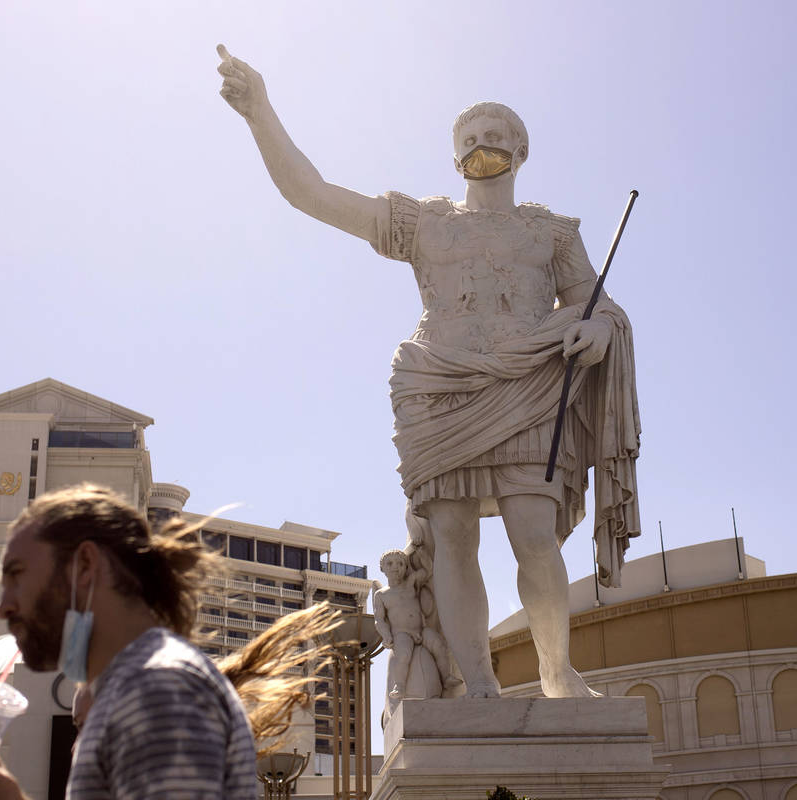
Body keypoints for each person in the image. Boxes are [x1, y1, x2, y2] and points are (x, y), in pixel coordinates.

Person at [217, 45, 641, 699]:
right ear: (454, 155)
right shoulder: (424, 223)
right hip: (437, 387)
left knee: (534, 531)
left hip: (526, 386)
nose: (484, 144)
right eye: (470, 137)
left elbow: (595, 301)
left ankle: (556, 671)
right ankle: (479, 682)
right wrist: (259, 112)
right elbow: (312, 194)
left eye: (497, 135)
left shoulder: (552, 234)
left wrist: (594, 326)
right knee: (451, 536)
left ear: (521, 152)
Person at [0, 483, 286, 800]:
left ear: (85, 566)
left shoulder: (154, 689)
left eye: (17, 574)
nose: (3, 607)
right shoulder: (133, 688)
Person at [373, 546, 457, 700]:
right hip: (401, 633)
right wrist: (386, 636)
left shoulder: (410, 583)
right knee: (404, 655)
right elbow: (379, 619)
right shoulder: (382, 595)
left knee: (438, 644)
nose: (395, 567)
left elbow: (427, 571)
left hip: (420, 630)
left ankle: (446, 677)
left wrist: (422, 554)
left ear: (406, 568)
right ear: (382, 568)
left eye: (400, 564)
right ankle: (400, 686)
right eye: (390, 564)